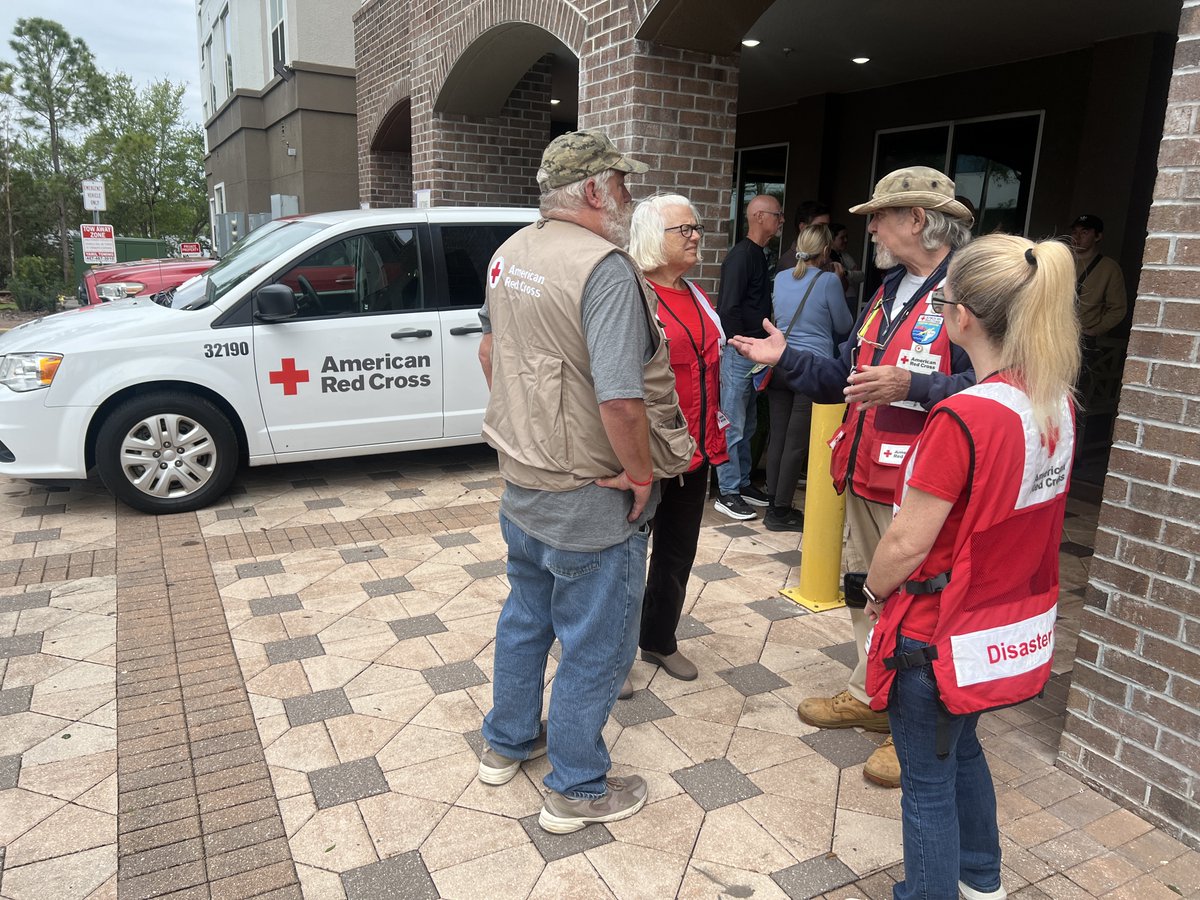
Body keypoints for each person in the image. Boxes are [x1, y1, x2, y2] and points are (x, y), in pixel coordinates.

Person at [475, 130, 694, 834]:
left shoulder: (512, 253)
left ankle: (506, 744)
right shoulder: (603, 268)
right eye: (623, 186)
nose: (629, 199)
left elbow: (489, 350)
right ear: (596, 191)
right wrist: (638, 475)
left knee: (525, 620)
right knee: (597, 648)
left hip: (522, 483)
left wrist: (537, 427)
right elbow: (622, 400)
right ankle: (576, 787)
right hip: (589, 499)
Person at [728, 166, 975, 789]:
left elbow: (1001, 390)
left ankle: (912, 727)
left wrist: (913, 385)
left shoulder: (978, 289)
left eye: (880, 217)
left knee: (922, 605)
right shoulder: (888, 288)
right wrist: (784, 358)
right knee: (870, 592)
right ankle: (872, 694)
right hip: (868, 471)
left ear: (916, 220)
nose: (869, 229)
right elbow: (845, 374)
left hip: (928, 487)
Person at [862, 234, 1080, 900]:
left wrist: (871, 590)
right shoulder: (1058, 404)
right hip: (998, 628)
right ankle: (981, 877)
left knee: (926, 782)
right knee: (961, 752)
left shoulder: (963, 416)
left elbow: (906, 541)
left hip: (938, 630)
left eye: (946, 299)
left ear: (964, 318)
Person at [623, 194, 728, 693]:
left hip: (694, 450)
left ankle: (659, 638)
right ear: (650, 238)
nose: (694, 236)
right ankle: (612, 655)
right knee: (623, 558)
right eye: (682, 229)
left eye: (696, 227)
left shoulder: (698, 294)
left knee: (676, 553)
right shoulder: (631, 294)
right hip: (645, 450)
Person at [762, 224, 852, 532]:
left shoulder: (782, 278)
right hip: (811, 367)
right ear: (826, 251)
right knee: (796, 442)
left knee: (778, 435)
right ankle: (780, 511)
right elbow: (844, 323)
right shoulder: (828, 280)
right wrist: (841, 283)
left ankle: (773, 497)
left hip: (779, 361)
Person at [712, 194, 783, 521]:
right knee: (733, 424)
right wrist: (740, 343)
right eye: (777, 215)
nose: (780, 221)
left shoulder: (758, 255)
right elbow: (729, 307)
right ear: (758, 217)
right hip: (740, 352)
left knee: (749, 422)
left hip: (754, 353)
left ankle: (741, 483)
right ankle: (726, 491)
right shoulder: (740, 257)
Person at [829, 222, 865, 317]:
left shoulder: (845, 255)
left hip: (849, 298)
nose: (846, 240)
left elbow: (861, 276)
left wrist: (847, 273)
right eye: (842, 237)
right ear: (832, 239)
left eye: (846, 237)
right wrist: (850, 273)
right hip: (840, 298)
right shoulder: (828, 257)